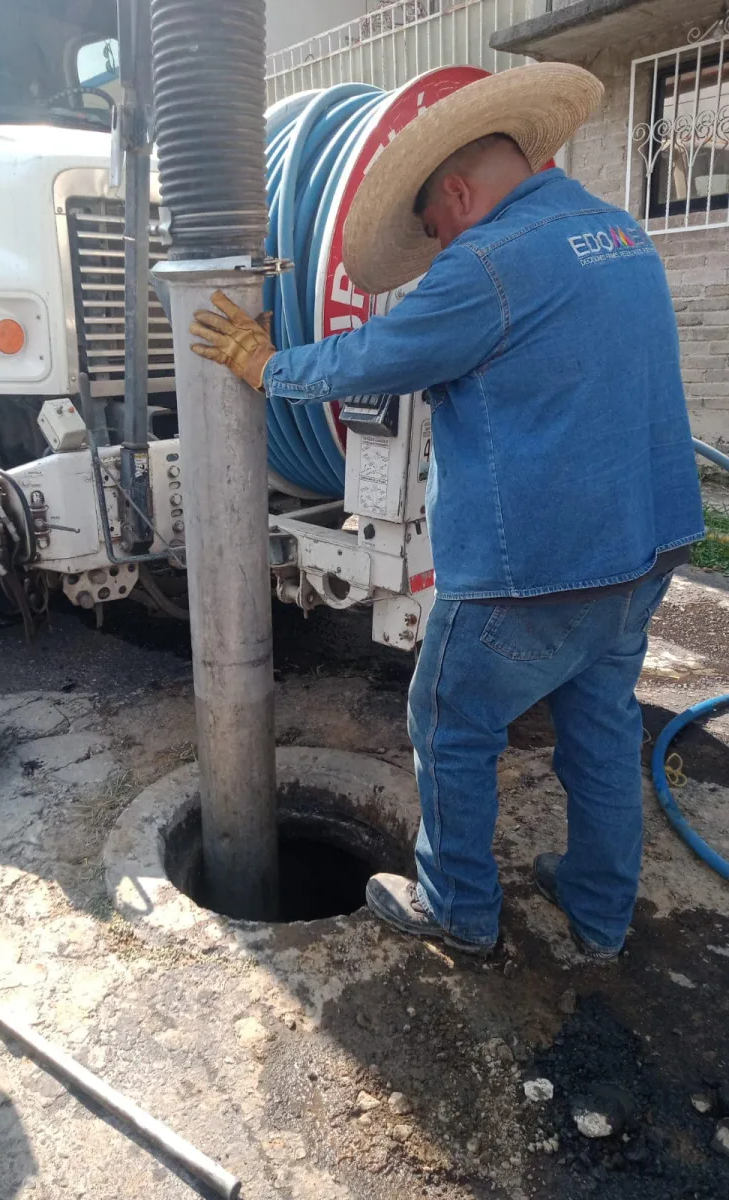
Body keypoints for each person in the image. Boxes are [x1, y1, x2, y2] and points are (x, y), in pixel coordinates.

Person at [189, 63, 705, 962]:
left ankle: (458, 909)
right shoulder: (619, 230)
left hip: (536, 568)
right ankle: (598, 915)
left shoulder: (489, 263)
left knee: (449, 721)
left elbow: (372, 361)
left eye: (430, 228)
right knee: (602, 725)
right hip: (647, 547)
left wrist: (267, 365)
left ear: (459, 192)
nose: (432, 249)